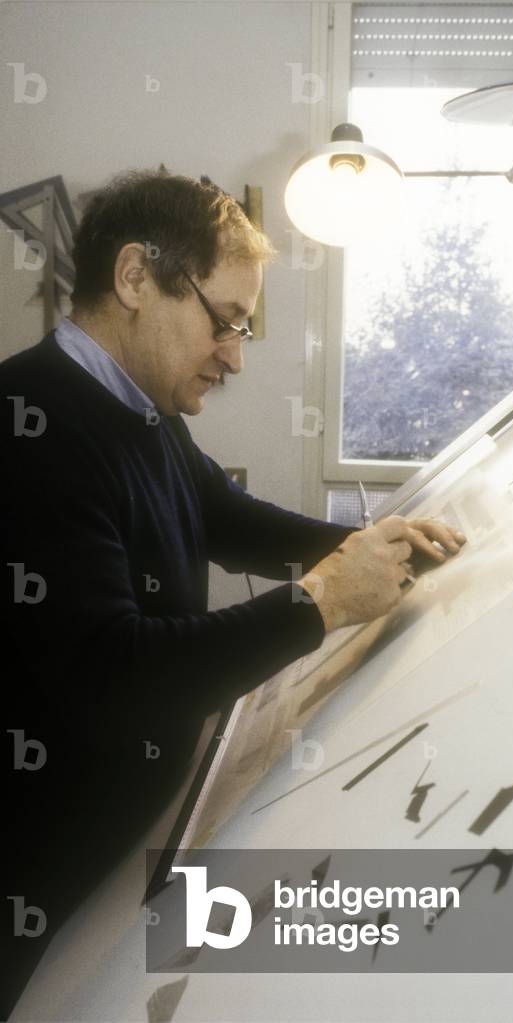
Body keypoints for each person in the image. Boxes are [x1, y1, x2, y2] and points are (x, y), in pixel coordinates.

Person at [1, 168, 465, 1016]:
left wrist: (365, 547)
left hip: (124, 846)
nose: (236, 356)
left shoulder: (139, 405)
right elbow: (117, 676)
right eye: (226, 323)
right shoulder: (27, 423)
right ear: (135, 277)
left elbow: (223, 515)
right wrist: (323, 600)